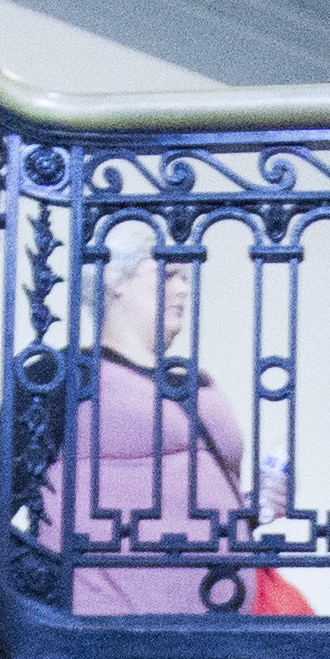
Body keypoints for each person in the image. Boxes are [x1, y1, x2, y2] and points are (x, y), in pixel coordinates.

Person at [28, 221, 278, 614]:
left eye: (184, 278)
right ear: (117, 280)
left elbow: (187, 499)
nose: (182, 289)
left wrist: (254, 508)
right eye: (167, 275)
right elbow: (5, 488)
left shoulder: (192, 380)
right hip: (113, 635)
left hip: (224, 629)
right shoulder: (63, 375)